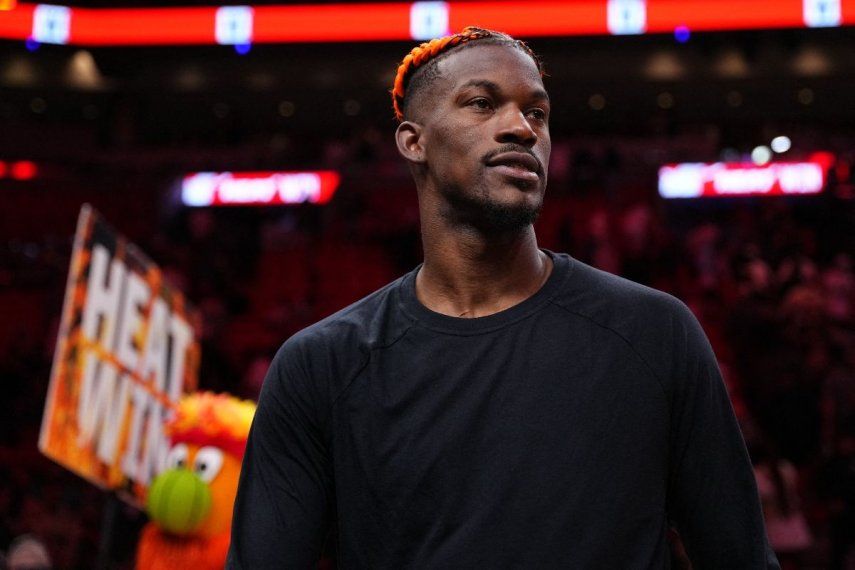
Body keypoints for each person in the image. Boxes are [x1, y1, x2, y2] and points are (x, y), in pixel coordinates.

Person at [228, 27, 779, 568]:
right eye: (482, 103)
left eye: (536, 112)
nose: (521, 128)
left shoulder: (655, 332)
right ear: (413, 141)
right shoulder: (320, 366)